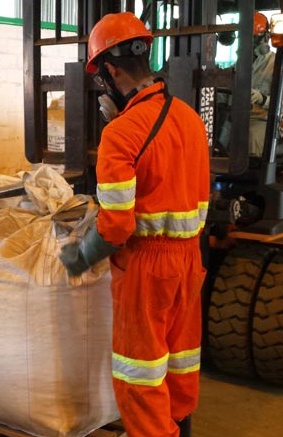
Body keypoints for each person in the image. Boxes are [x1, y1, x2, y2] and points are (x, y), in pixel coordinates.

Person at [59, 12, 209, 437]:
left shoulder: (120, 134)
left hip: (146, 267)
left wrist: (79, 256)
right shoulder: (190, 120)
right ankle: (179, 427)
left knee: (139, 376)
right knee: (179, 362)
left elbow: (117, 226)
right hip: (188, 261)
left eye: (99, 76)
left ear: (110, 70)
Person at [249, 11, 283, 156]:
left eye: (255, 39)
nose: (250, 45)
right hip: (235, 117)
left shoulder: (282, 67)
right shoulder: (239, 67)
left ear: (266, 37)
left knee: (250, 137)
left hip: (265, 121)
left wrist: (263, 99)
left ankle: (251, 177)